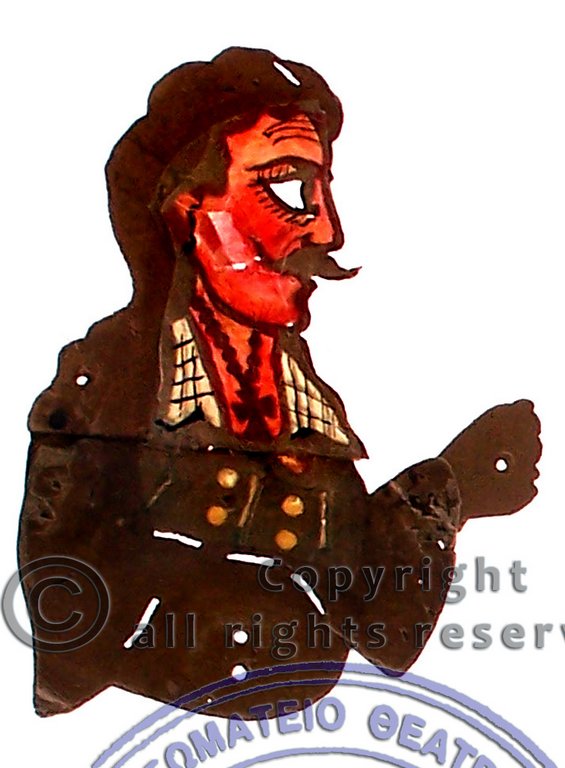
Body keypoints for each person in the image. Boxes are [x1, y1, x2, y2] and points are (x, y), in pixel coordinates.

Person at [19, 47, 541, 718]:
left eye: (322, 194)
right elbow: (70, 652)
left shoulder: (303, 410)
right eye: (290, 188)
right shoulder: (109, 390)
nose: (327, 230)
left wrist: (449, 488)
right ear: (188, 207)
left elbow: (380, 626)